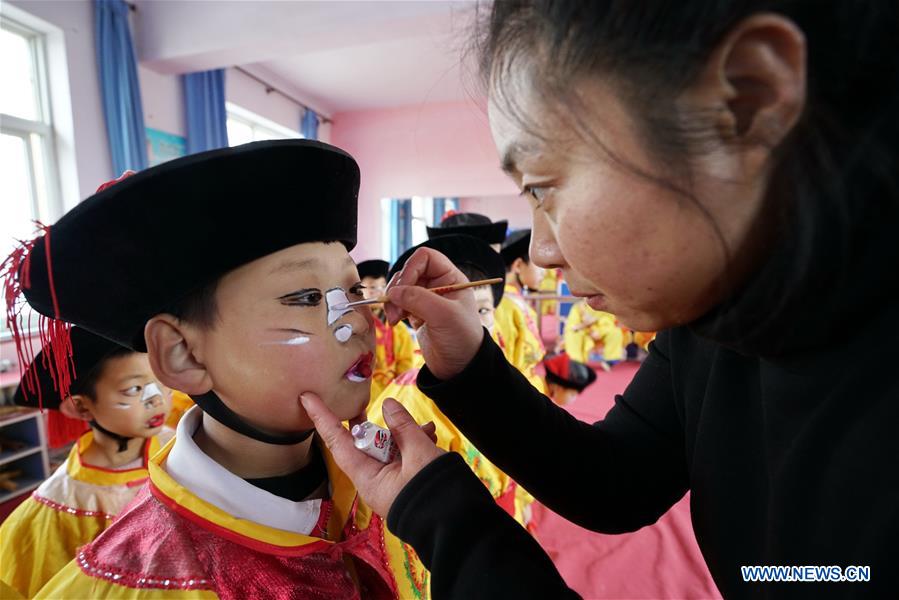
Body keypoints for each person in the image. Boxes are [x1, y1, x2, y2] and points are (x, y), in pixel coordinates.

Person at [301, 2, 899, 598]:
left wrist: (443, 517)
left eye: (542, 187)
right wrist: (470, 368)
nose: (540, 253)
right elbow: (619, 478)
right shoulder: (708, 320)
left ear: (749, 97)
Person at [4, 140, 429, 598]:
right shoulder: (130, 583)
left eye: (352, 291)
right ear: (183, 355)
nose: (358, 322)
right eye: (306, 298)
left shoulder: (386, 485)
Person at [369, 235, 534, 530]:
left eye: (483, 311)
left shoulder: (506, 388)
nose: (472, 325)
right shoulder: (405, 408)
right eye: (453, 311)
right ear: (417, 319)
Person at [0, 327, 172, 597]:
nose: (156, 399)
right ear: (81, 407)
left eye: (160, 383)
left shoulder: (179, 446)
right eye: (134, 389)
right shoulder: (62, 504)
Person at [357, 259, 420, 400]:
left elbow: (406, 363)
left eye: (383, 287)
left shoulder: (399, 328)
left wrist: (396, 390)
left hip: (394, 392)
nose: (379, 293)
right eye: (372, 288)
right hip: (366, 392)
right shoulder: (356, 327)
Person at [499, 229, 547, 391]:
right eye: (539, 265)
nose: (544, 273)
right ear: (518, 265)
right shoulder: (504, 306)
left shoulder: (512, 300)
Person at [562, 301, 624, 368]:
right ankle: (575, 361)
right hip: (584, 333)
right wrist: (585, 324)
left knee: (615, 332)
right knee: (572, 334)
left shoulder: (605, 307)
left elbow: (608, 323)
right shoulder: (578, 307)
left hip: (599, 333)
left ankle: (610, 360)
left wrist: (599, 331)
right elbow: (572, 326)